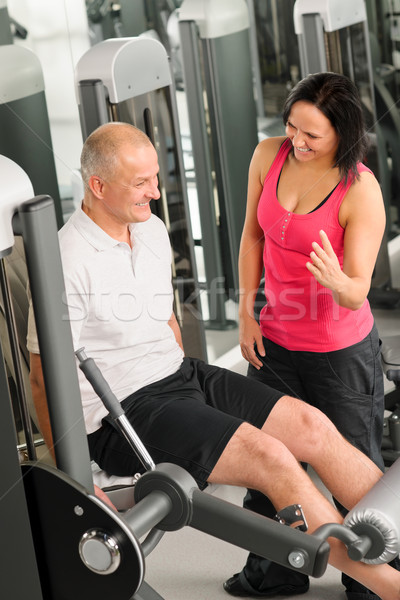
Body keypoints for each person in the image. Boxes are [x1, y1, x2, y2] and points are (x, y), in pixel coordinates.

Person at [27, 122, 400, 599]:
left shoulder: (151, 229)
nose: (156, 193)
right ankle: (389, 586)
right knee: (274, 460)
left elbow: (165, 320)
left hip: (179, 376)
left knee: (312, 426)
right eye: (140, 184)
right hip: (123, 411)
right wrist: (72, 480)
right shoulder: (66, 259)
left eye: (155, 179)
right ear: (97, 187)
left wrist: (194, 396)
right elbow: (42, 379)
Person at [224, 71, 393, 599]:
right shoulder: (267, 155)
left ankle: (372, 583)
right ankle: (277, 570)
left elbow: (358, 289)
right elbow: (252, 235)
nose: (297, 141)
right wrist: (247, 311)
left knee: (356, 468)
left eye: (312, 134)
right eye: (292, 126)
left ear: (343, 134)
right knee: (268, 461)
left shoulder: (360, 189)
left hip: (340, 352)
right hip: (275, 342)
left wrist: (340, 283)